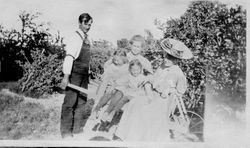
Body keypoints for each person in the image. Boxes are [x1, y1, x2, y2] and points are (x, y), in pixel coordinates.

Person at [115, 38, 193, 141]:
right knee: (134, 103)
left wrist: (169, 90)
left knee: (142, 109)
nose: (166, 59)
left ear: (177, 60)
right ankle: (128, 136)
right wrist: (147, 79)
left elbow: (180, 91)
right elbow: (155, 80)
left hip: (163, 101)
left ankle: (141, 138)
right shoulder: (162, 66)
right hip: (153, 95)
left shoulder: (178, 73)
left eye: (170, 58)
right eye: (166, 56)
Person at [59, 13, 93, 138]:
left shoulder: (88, 38)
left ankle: (77, 129)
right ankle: (66, 133)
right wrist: (66, 76)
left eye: (90, 24)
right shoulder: (75, 37)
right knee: (70, 102)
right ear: (80, 23)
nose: (88, 27)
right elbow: (69, 58)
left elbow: (87, 59)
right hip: (74, 74)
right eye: (86, 24)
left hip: (84, 75)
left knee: (81, 102)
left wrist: (88, 73)